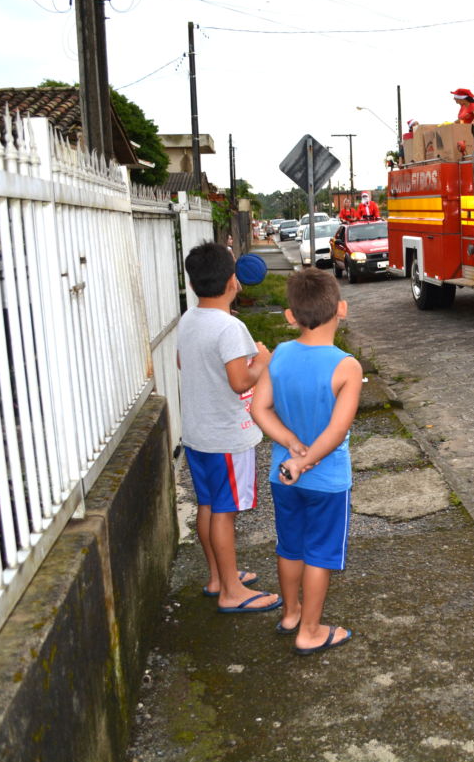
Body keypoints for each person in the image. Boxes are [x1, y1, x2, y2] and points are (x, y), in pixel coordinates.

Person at [250, 269, 363, 654]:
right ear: (341, 309)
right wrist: (308, 458)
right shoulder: (346, 366)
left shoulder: (279, 355)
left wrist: (291, 446)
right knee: (320, 553)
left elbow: (259, 408)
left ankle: (291, 614)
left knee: (290, 545)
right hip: (327, 479)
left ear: (290, 316)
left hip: (282, 475)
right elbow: (335, 431)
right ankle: (310, 631)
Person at [177, 242, 282, 615]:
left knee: (208, 504)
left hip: (198, 434)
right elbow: (241, 382)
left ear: (193, 284)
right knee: (225, 511)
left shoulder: (188, 319)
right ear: (232, 281)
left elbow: (180, 361)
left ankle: (219, 577)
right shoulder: (230, 326)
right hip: (227, 437)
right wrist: (263, 360)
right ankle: (232, 591)